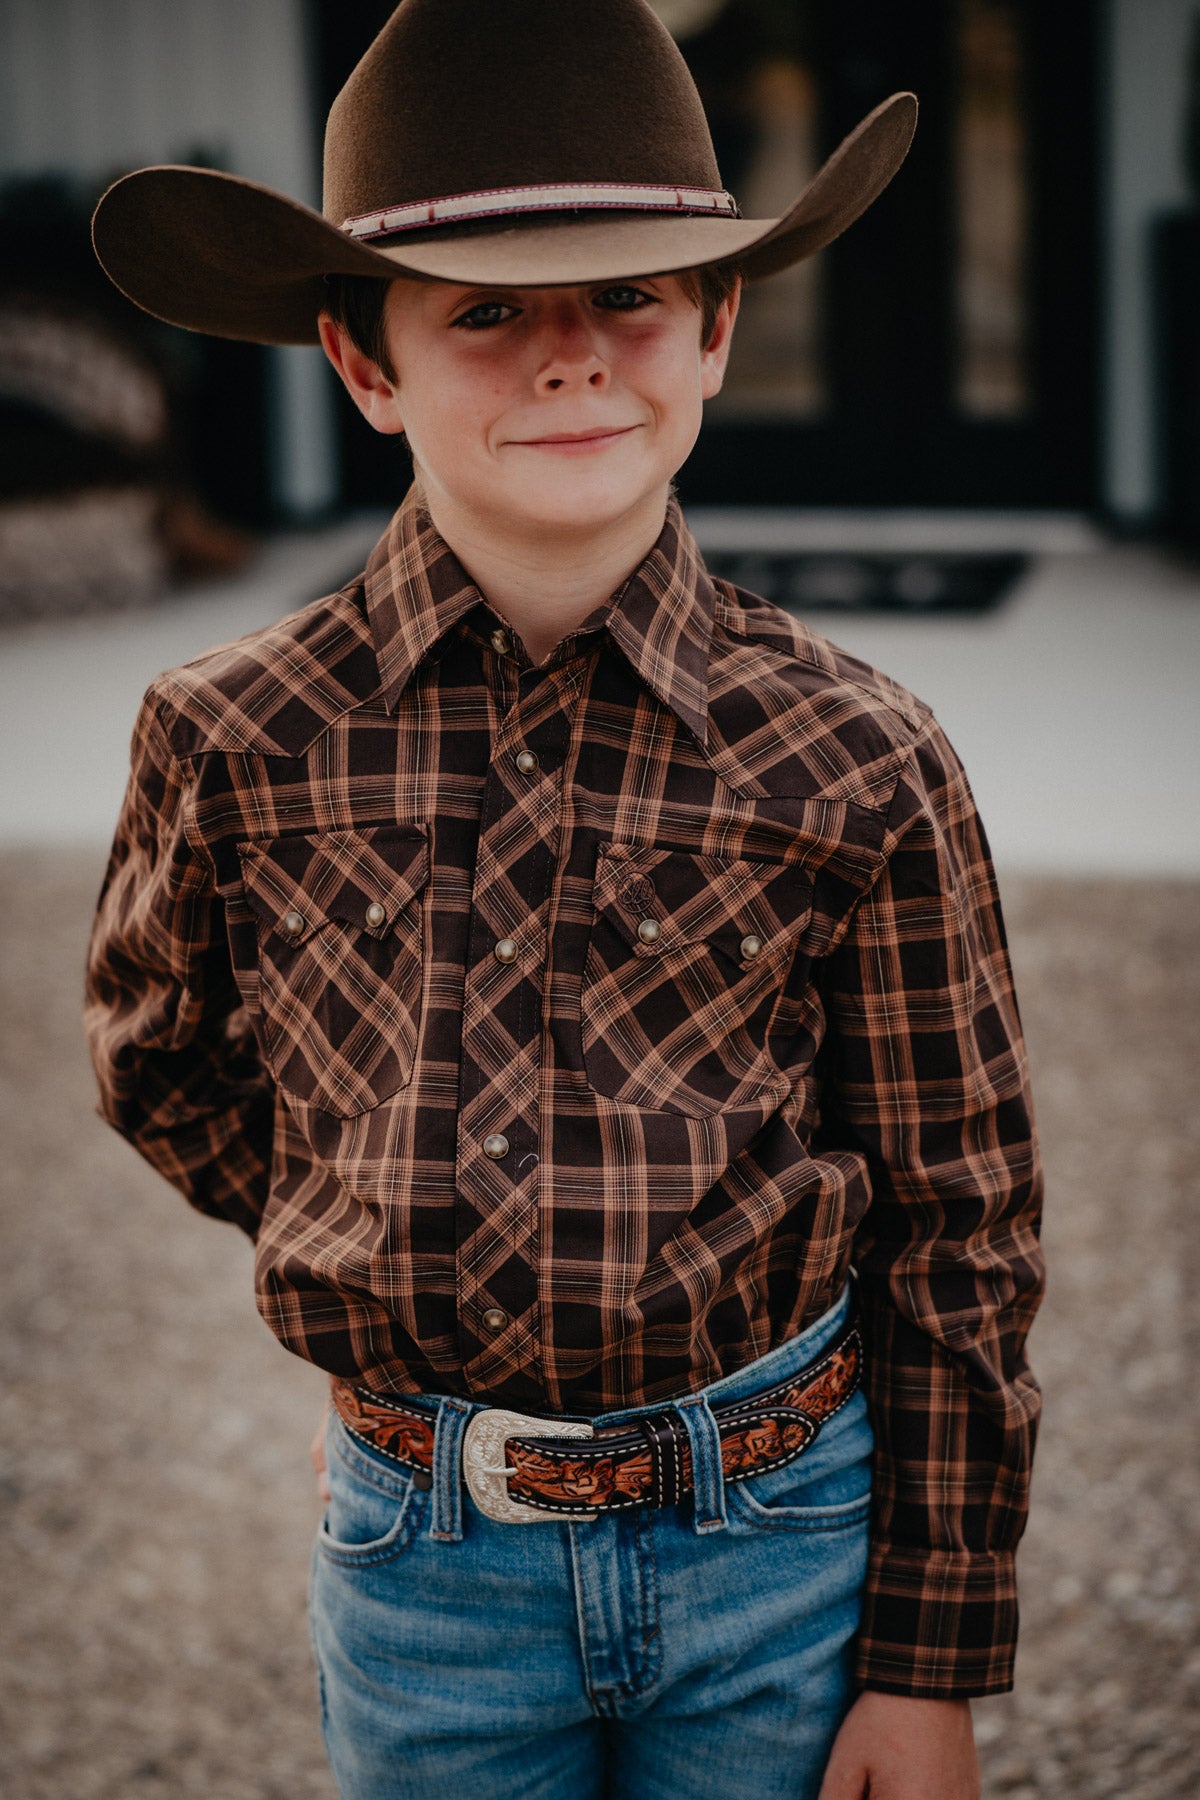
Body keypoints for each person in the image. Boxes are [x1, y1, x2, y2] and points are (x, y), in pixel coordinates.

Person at [82, 3, 1044, 1796]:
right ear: (364, 365)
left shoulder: (860, 751)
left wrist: (929, 1658)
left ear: (721, 328)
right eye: (486, 311)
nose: (572, 358)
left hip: (781, 1552)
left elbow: (963, 1219)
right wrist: (381, 1283)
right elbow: (161, 1058)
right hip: (426, 1578)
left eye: (630, 298)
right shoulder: (232, 734)